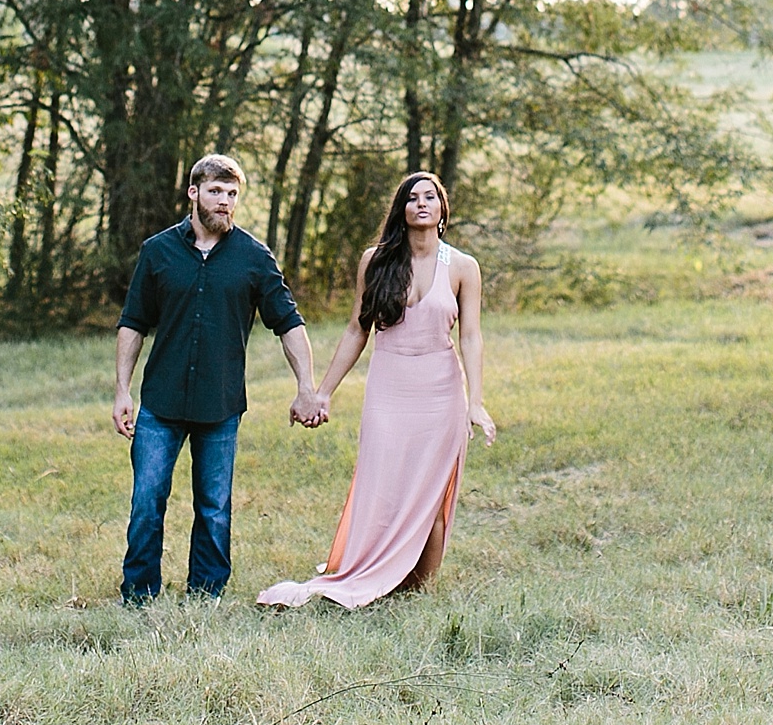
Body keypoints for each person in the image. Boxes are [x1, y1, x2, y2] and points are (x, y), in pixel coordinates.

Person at [259, 171, 495, 610]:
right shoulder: (376, 260)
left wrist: (476, 403)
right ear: (401, 210)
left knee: (432, 489)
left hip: (442, 391)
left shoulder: (463, 267)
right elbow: (356, 329)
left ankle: (419, 587)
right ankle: (373, 570)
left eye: (430, 197)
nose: (421, 203)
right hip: (388, 388)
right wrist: (322, 392)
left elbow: (471, 337)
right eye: (412, 197)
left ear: (443, 209)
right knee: (383, 483)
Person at [111, 153, 326, 604]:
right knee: (147, 503)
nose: (224, 202)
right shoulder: (157, 252)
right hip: (160, 403)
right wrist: (121, 391)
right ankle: (139, 595)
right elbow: (133, 323)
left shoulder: (252, 257)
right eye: (215, 192)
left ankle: (205, 593)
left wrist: (306, 387)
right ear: (193, 193)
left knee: (214, 508)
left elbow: (288, 323)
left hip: (221, 404)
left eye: (232, 194)